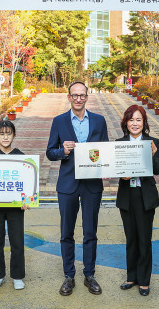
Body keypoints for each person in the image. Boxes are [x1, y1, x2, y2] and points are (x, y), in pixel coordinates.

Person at [46, 81, 109, 296]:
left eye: (82, 95)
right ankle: (69, 275)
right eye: (75, 95)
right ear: (69, 97)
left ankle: (89, 274)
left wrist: (106, 166)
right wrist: (62, 151)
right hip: (68, 184)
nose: (79, 99)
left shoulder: (99, 121)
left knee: (90, 231)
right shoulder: (59, 121)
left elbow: (105, 149)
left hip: (92, 184)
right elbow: (50, 152)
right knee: (67, 232)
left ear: (87, 97)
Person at [115, 105, 159, 297]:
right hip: (127, 195)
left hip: (145, 196)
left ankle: (144, 280)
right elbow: (115, 168)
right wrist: (121, 174)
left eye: (138, 120)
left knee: (144, 239)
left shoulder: (152, 142)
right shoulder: (119, 143)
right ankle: (131, 276)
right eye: (131, 120)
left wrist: (153, 154)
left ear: (144, 122)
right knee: (131, 238)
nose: (135, 123)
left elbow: (157, 170)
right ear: (126, 122)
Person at [0, 119, 28, 291]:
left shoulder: (21, 157)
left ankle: (17, 276)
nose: (5, 137)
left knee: (17, 241)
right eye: (2, 134)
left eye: (8, 134)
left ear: (14, 136)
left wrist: (27, 201)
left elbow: (27, 182)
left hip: (16, 207)